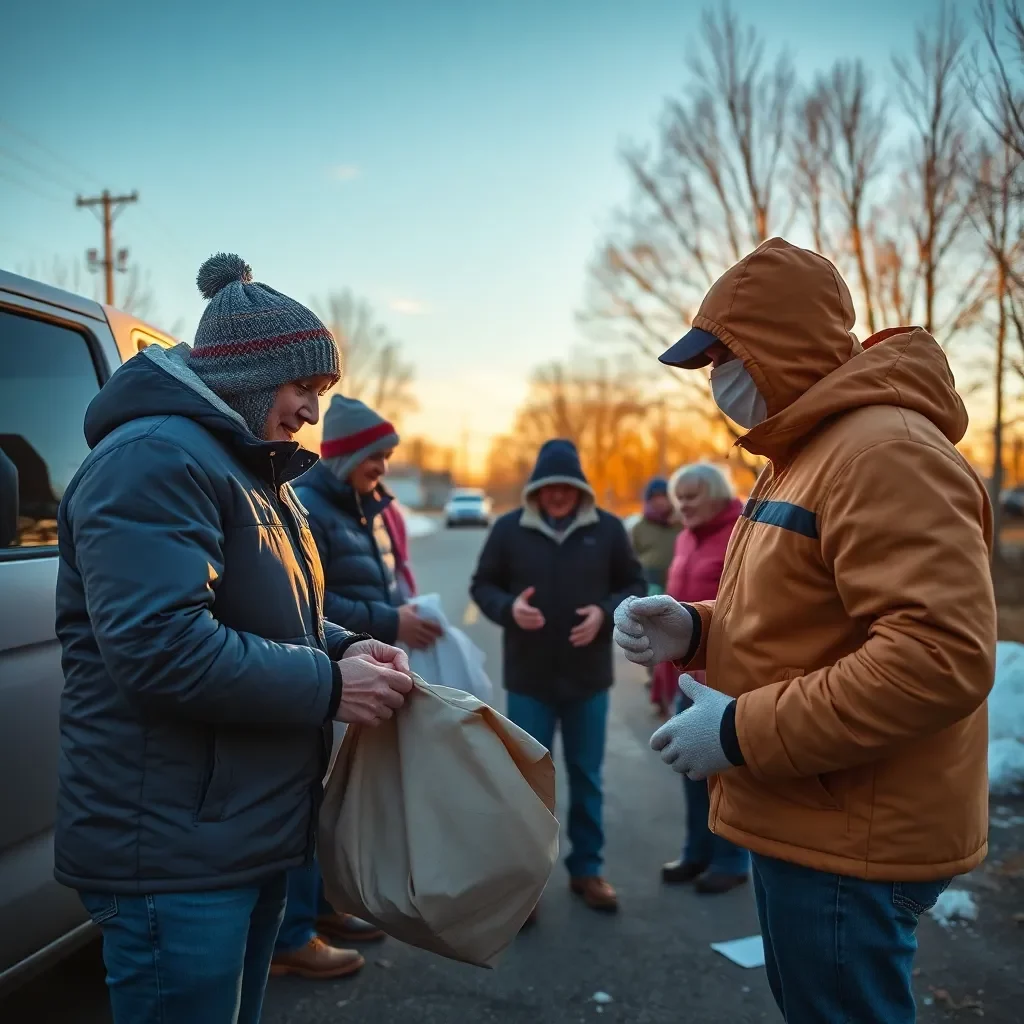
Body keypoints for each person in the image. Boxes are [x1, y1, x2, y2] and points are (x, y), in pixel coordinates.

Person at [613, 237, 996, 1024]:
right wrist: (695, 628)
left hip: (851, 831)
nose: (718, 379)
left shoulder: (882, 451)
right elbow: (807, 615)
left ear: (779, 347)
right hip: (813, 810)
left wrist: (743, 730)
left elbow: (938, 657)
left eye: (726, 356)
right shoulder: (808, 454)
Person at [54, 253, 414, 1024]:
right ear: (250, 377)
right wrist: (329, 685)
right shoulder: (152, 459)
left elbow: (279, 617)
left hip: (235, 832)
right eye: (304, 389)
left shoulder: (247, 469)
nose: (313, 413)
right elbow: (161, 645)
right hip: (174, 852)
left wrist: (344, 646)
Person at [271, 395, 441, 978]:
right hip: (324, 675)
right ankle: (293, 934)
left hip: (354, 665)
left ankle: (322, 910)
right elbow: (307, 604)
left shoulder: (365, 504)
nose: (384, 468)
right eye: (377, 456)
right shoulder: (311, 507)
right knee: (307, 801)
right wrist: (388, 622)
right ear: (347, 455)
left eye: (389, 457)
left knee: (329, 801)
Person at [470, 439, 646, 916]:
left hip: (588, 681)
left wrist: (605, 613)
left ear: (579, 487)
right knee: (528, 787)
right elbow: (481, 586)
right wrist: (510, 608)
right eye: (549, 487)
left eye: (566, 487)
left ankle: (587, 870)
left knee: (587, 778)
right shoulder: (509, 530)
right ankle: (526, 887)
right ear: (537, 489)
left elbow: (634, 584)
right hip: (529, 681)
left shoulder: (608, 530)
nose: (557, 495)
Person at [654, 462, 748, 894]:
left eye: (692, 496)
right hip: (688, 677)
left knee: (729, 777)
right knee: (691, 772)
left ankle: (730, 859)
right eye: (680, 497)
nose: (683, 505)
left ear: (717, 495)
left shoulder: (741, 533)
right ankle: (696, 853)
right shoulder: (686, 538)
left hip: (728, 682)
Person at [629, 476, 680, 595]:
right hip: (649, 583)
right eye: (655, 497)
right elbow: (632, 558)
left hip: (676, 581)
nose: (660, 501)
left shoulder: (681, 524)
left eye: (664, 496)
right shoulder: (639, 527)